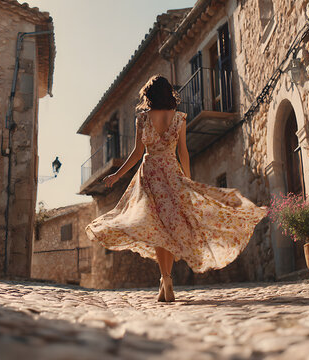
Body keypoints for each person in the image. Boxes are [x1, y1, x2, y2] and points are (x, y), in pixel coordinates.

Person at [85, 75, 267, 302]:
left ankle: (166, 278)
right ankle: (166, 279)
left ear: (149, 96)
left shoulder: (142, 118)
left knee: (159, 230)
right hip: (171, 174)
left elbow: (137, 154)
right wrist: (187, 181)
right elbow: (183, 152)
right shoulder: (179, 119)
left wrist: (117, 175)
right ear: (168, 93)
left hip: (150, 175)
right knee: (167, 229)